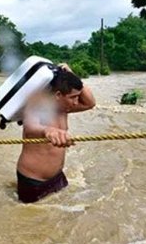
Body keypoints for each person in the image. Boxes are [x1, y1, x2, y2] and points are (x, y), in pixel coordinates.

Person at [16, 64, 95, 203]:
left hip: (57, 177)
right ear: (58, 95)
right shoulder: (37, 104)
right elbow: (30, 127)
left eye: (78, 97)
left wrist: (71, 74)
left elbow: (90, 103)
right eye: (73, 97)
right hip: (33, 181)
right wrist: (47, 130)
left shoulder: (65, 107)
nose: (77, 102)